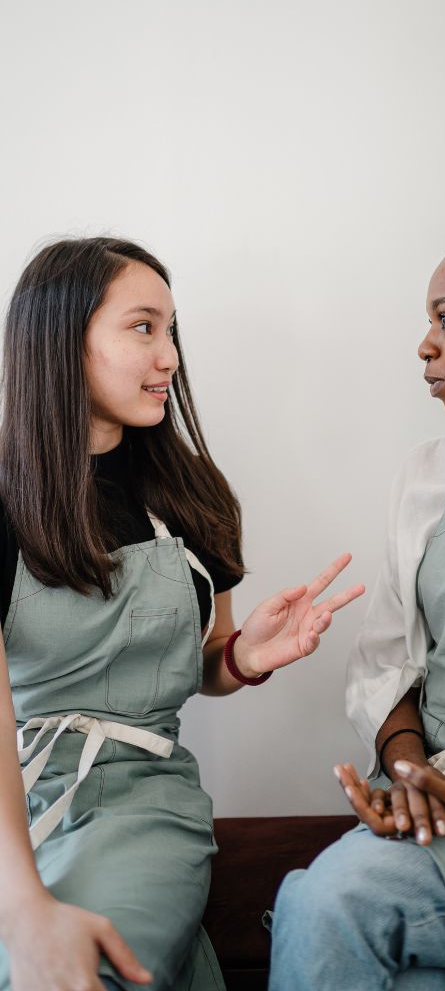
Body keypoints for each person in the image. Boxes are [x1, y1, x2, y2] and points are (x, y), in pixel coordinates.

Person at [0, 237, 365, 991]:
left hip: (143, 798)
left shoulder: (192, 494)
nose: (168, 356)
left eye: (171, 331)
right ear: (61, 339)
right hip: (15, 798)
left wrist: (240, 659)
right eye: (143, 328)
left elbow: (199, 667)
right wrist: (23, 906)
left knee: (95, 970)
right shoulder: (7, 498)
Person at [269, 223, 445, 991]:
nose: (425, 346)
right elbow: (388, 666)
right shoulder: (429, 478)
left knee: (330, 903)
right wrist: (411, 777)